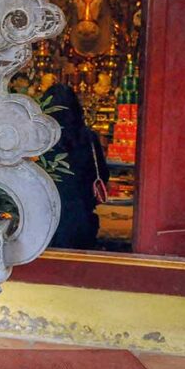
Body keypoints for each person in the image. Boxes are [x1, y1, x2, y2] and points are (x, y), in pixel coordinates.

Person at [42, 84, 109, 249]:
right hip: (81, 216)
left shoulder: (40, 139)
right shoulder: (89, 138)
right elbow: (102, 173)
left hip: (44, 217)